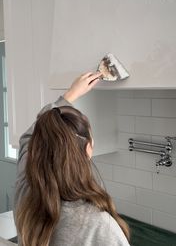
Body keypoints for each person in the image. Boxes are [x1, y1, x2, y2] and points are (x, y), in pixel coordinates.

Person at [14, 72, 131, 246]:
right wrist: (71, 94)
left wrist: (70, 95)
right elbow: (32, 136)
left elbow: (29, 137)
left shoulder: (27, 191)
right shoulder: (98, 225)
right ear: (88, 149)